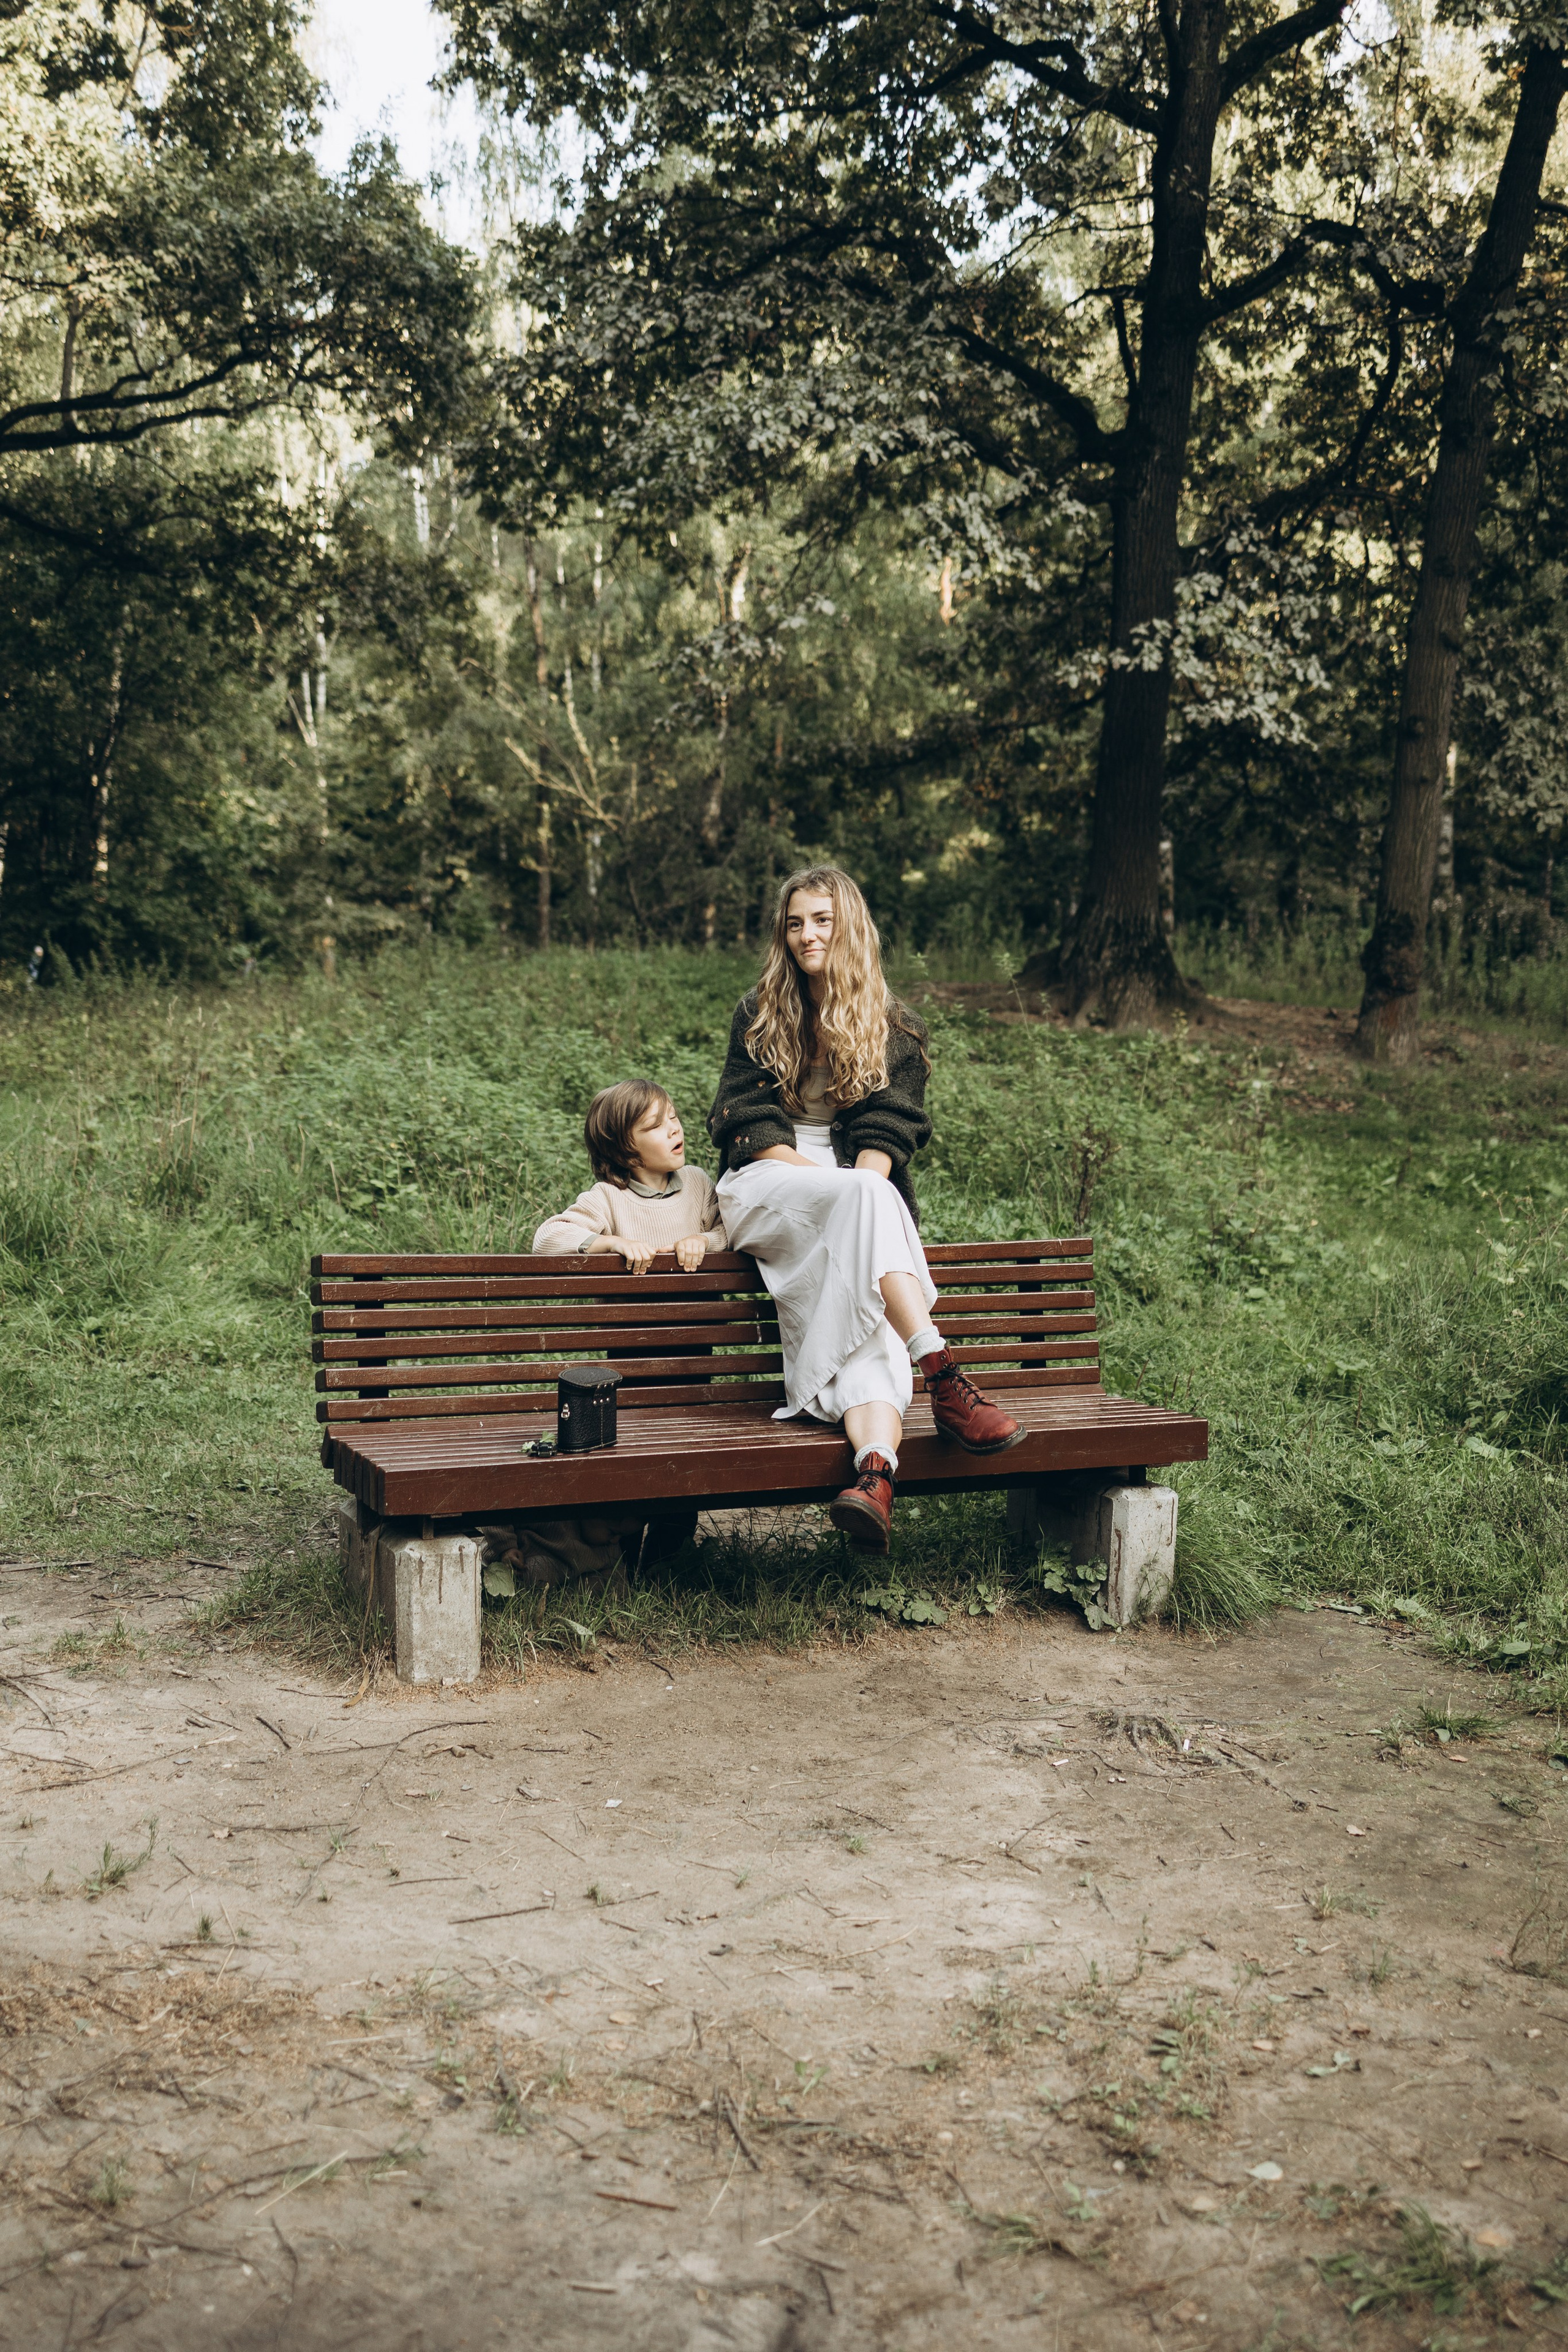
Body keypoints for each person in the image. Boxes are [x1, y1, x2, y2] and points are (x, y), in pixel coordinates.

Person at [707, 864, 1021, 1553]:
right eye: (794, 923)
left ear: (847, 926)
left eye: (820, 920)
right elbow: (744, 1122)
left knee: (873, 1318)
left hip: (853, 1187)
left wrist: (853, 1188)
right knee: (861, 1197)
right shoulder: (761, 1009)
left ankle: (874, 1473)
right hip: (768, 1181)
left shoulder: (894, 1025)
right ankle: (941, 1372)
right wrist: (834, 1184)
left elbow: (885, 1136)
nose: (805, 935)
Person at [532, 1080, 728, 1269]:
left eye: (673, 1116)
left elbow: (731, 1231)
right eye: (656, 1125)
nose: (675, 1129)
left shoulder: (697, 1182)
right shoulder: (608, 1197)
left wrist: (703, 1240)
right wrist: (612, 1243)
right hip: (629, 1305)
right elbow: (546, 1239)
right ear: (624, 1150)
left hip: (700, 1304)